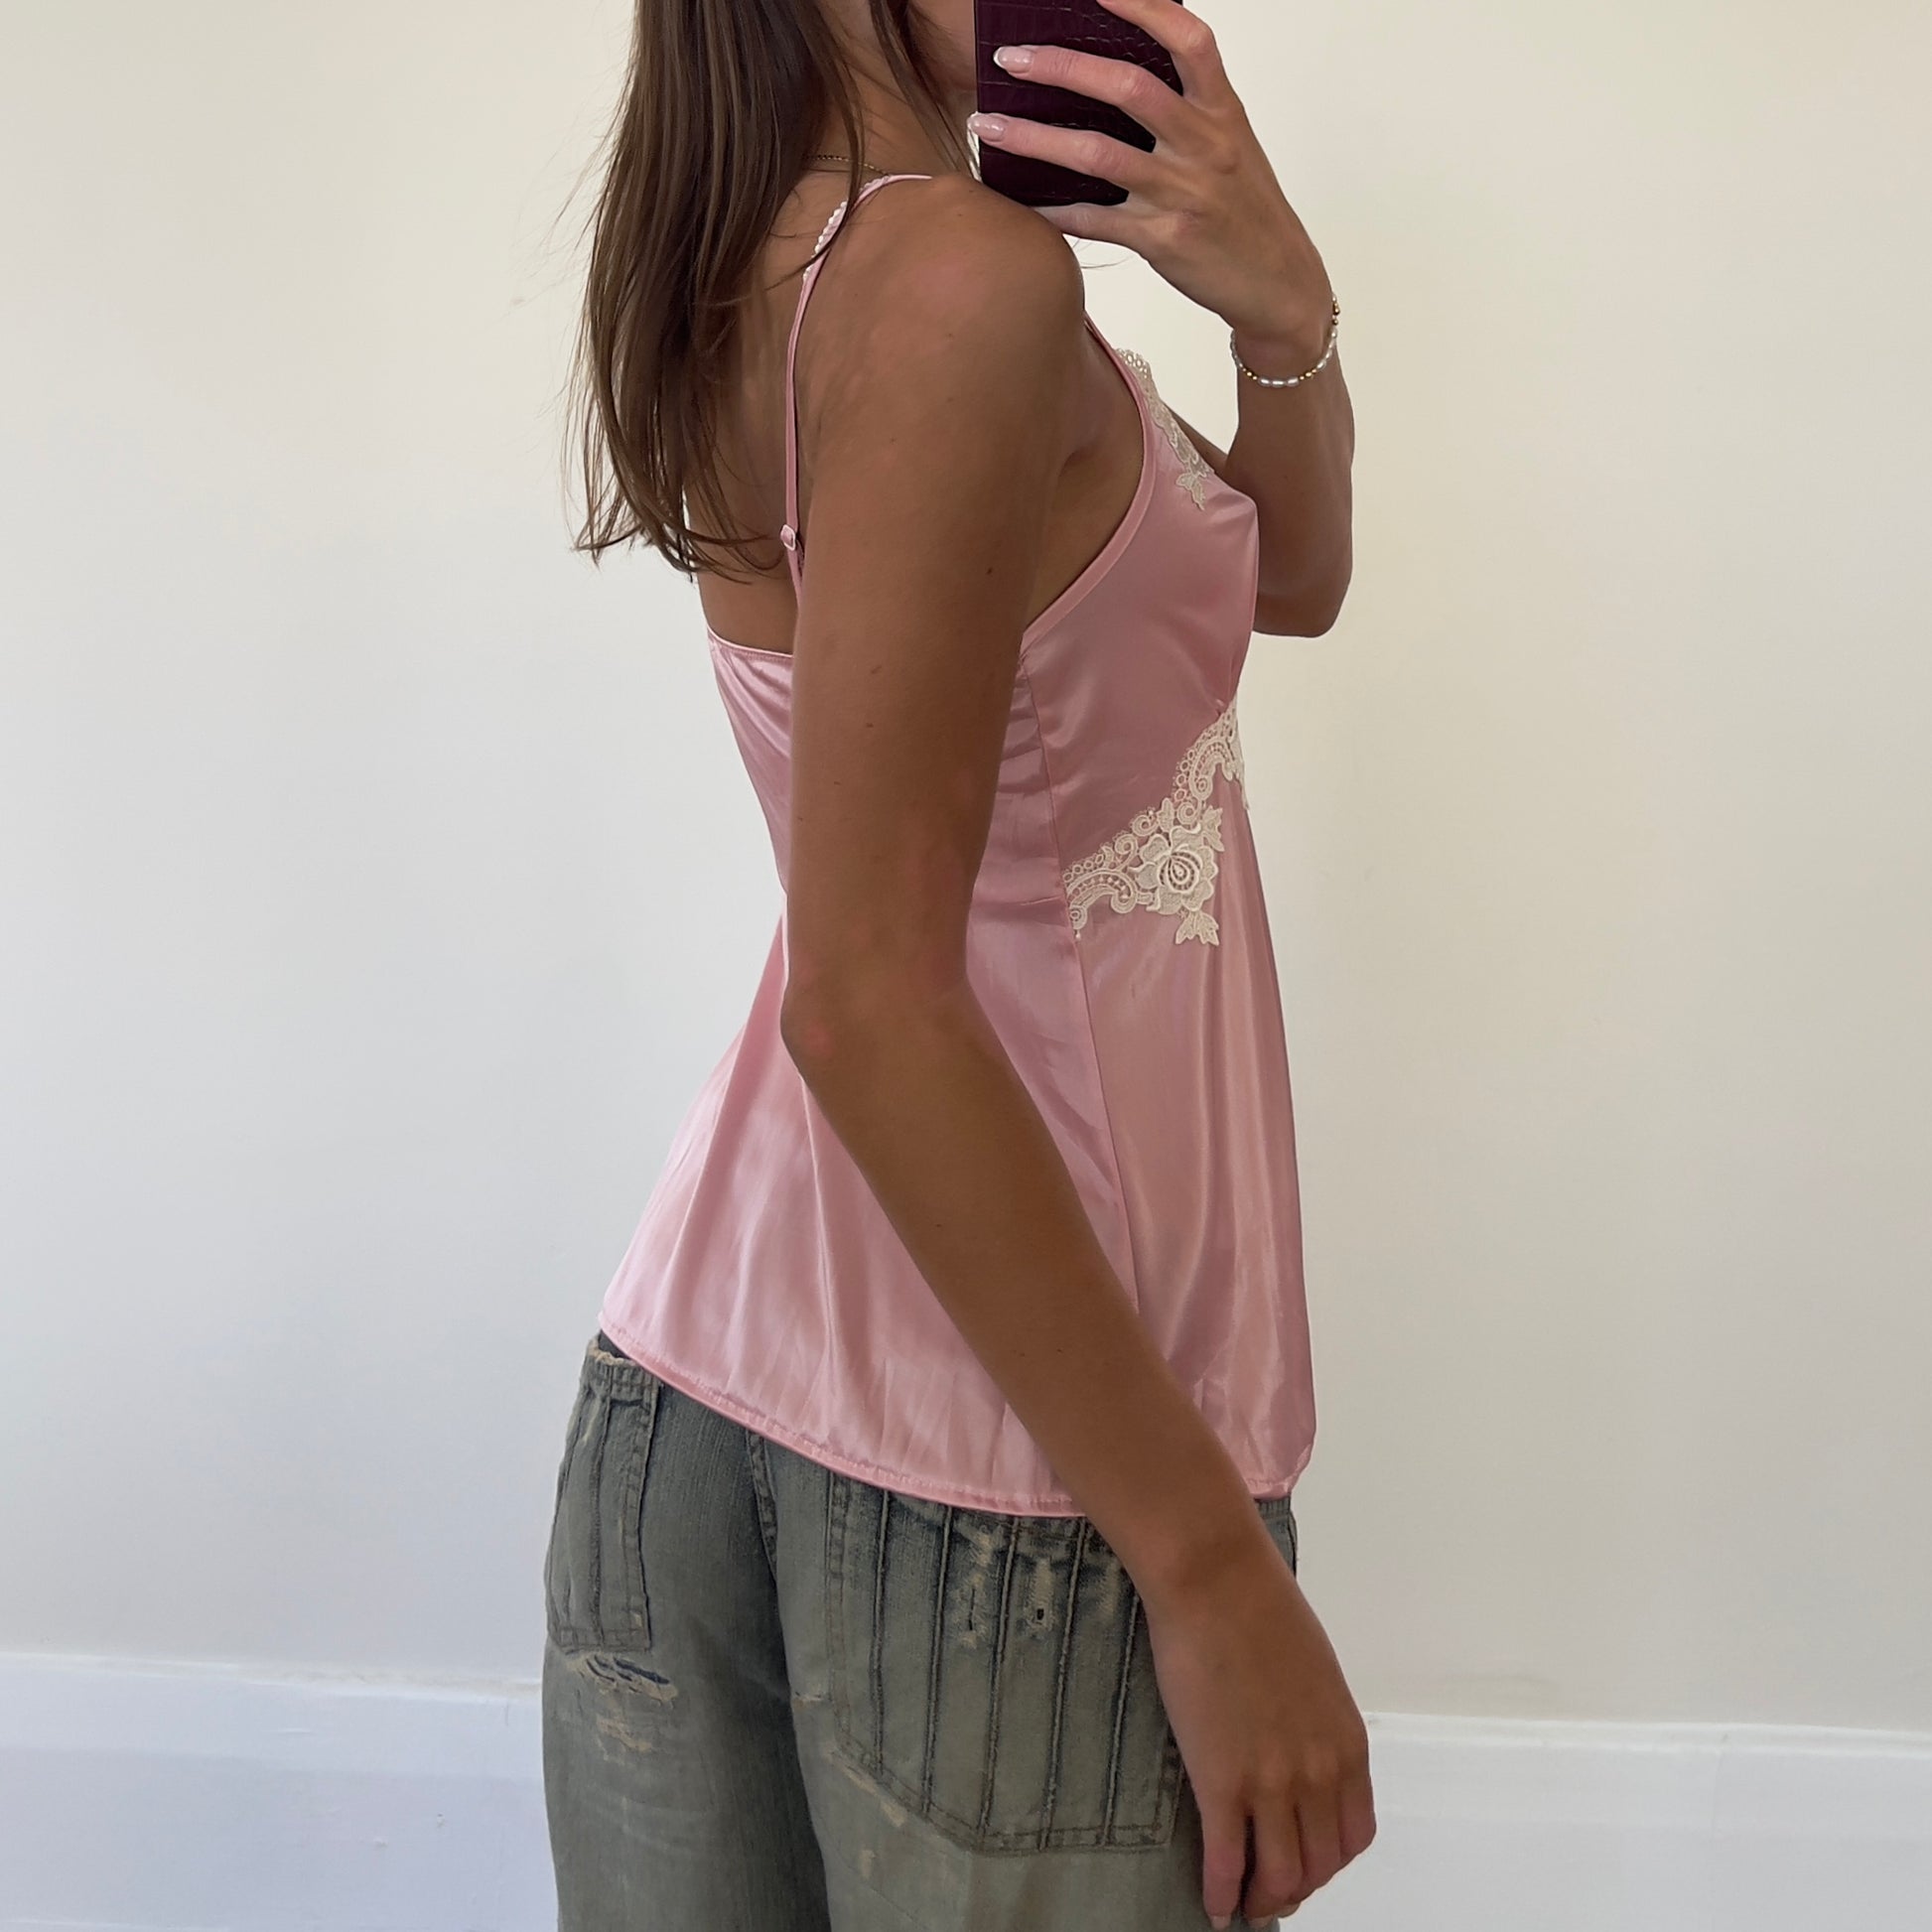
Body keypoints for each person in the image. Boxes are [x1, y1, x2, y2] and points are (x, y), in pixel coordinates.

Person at [539, 0, 1371, 1924]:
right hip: (1027, 1469)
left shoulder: (774, 253)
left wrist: (1280, 311)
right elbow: (867, 1000)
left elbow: (1287, 573)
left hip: (705, 1395)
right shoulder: (956, 286)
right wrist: (1210, 1566)